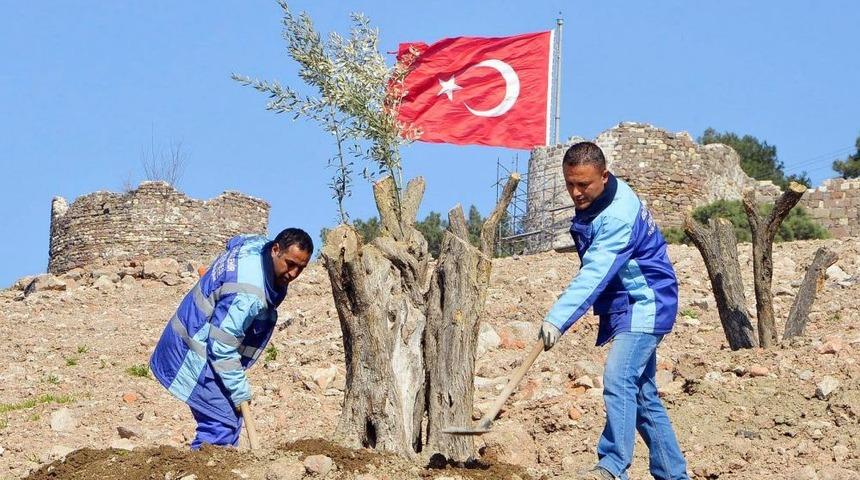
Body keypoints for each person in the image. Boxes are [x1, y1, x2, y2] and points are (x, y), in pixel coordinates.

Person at [538, 142, 688, 480]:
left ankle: (612, 466)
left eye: (584, 185)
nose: (575, 193)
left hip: (647, 303)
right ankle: (674, 475)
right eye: (570, 184)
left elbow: (595, 273)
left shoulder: (618, 215)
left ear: (604, 176)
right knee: (643, 395)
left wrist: (556, 320)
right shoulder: (603, 198)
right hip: (628, 303)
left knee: (619, 377)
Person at [150, 228, 312, 449]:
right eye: (290, 264)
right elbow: (222, 345)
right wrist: (239, 389)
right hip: (192, 351)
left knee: (227, 420)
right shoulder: (248, 294)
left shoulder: (256, 246)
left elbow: (236, 241)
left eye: (300, 268)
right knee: (221, 424)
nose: (293, 274)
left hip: (195, 339)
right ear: (275, 249)